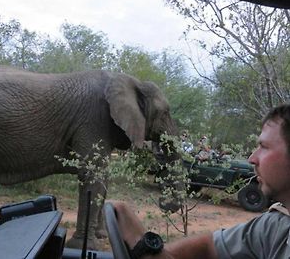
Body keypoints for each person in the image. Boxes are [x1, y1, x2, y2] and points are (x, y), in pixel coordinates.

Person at [110, 104, 290, 258]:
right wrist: (149, 249)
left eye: (264, 147)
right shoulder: (275, 227)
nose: (252, 158)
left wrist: (142, 244)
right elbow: (210, 245)